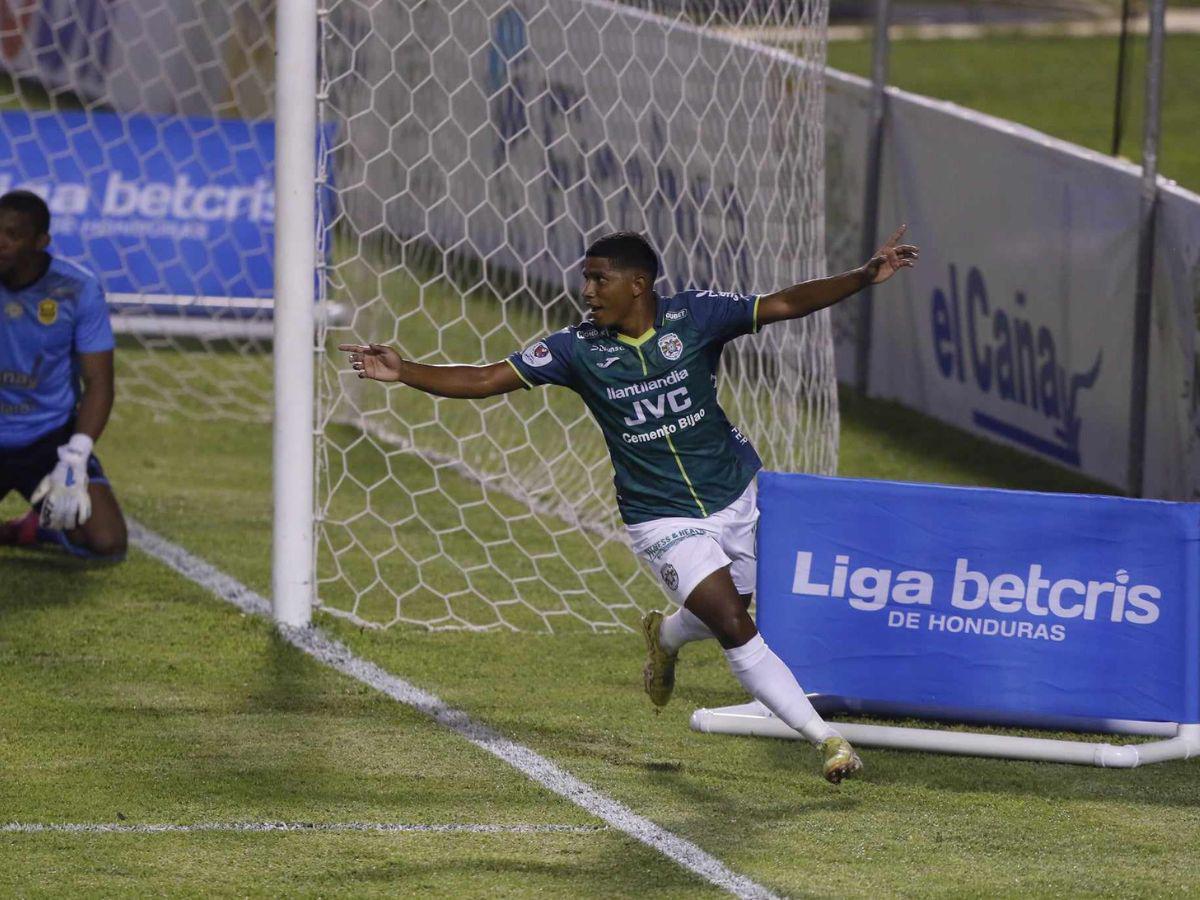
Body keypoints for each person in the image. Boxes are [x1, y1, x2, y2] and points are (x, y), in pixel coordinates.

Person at [340, 227, 918, 783]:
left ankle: (664, 638)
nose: (587, 292)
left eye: (598, 280)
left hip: (736, 491)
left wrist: (865, 276)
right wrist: (406, 371)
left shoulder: (695, 318)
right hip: (658, 513)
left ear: (637, 285)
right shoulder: (575, 349)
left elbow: (787, 303)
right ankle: (828, 741)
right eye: (586, 280)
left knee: (734, 603)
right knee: (734, 624)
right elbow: (489, 378)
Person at [0, 189, 127, 560]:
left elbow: (99, 384)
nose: (0, 243)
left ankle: (29, 529)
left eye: (12, 234)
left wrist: (75, 456)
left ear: (41, 241)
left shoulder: (77, 289)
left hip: (48, 440)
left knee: (106, 543)